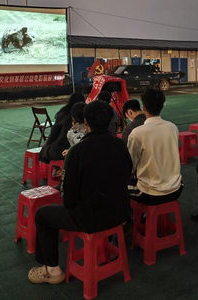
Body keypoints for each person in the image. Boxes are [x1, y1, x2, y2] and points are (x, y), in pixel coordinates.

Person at [28, 100, 132, 285]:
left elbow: (69, 197)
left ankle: (52, 270)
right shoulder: (120, 145)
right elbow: (126, 175)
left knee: (42, 215)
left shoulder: (77, 151)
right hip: (120, 213)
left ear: (86, 122)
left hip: (89, 218)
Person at [127, 89, 183, 205]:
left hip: (150, 193)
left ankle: (138, 215)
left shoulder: (137, 133)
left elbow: (130, 166)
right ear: (162, 106)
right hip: (176, 189)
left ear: (144, 108)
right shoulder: (172, 128)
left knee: (119, 186)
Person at [39, 92, 85, 164]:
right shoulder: (85, 114)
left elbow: (54, 134)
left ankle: (55, 167)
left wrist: (48, 142)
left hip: (62, 150)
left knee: (45, 149)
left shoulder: (64, 113)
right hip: (80, 150)